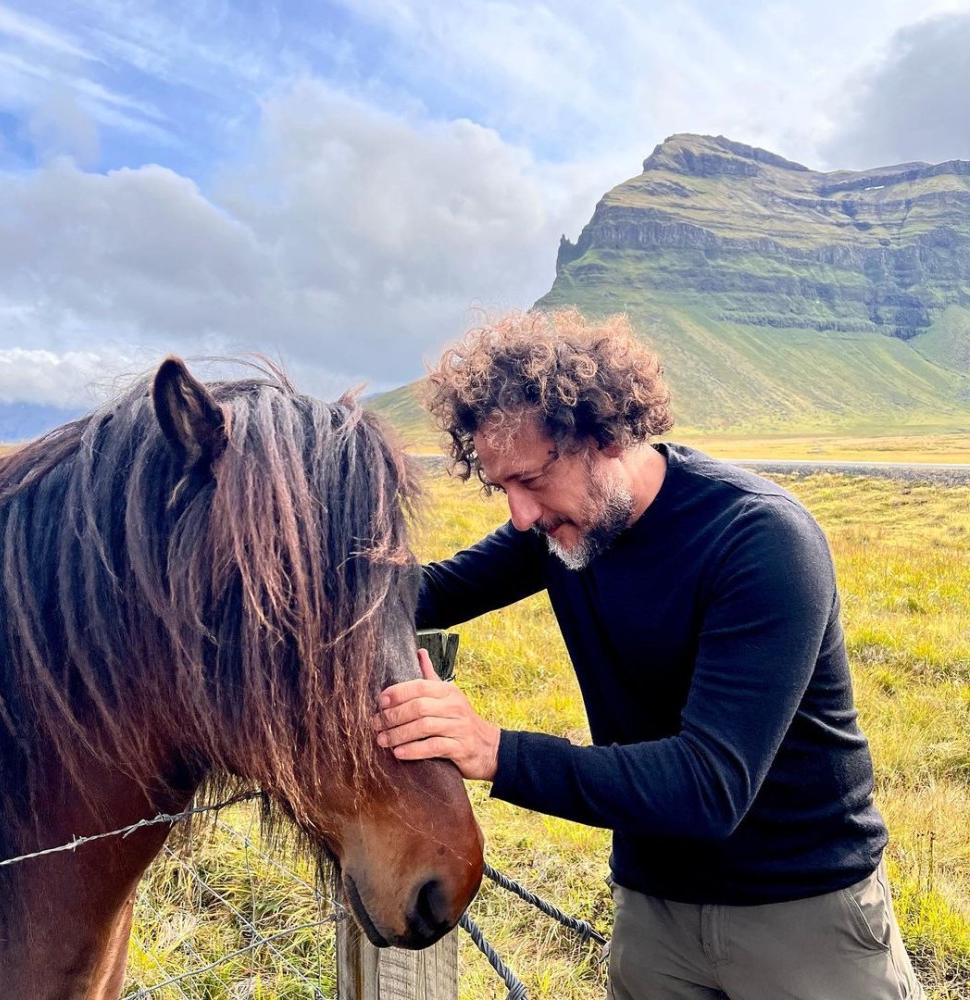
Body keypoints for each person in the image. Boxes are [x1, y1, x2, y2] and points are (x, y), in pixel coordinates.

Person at [373, 307, 923, 1000]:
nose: (519, 515)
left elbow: (708, 786)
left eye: (532, 480)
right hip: (651, 913)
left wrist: (493, 750)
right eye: (499, 487)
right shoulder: (557, 530)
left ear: (604, 435)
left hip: (804, 915)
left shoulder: (760, 540)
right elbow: (420, 594)